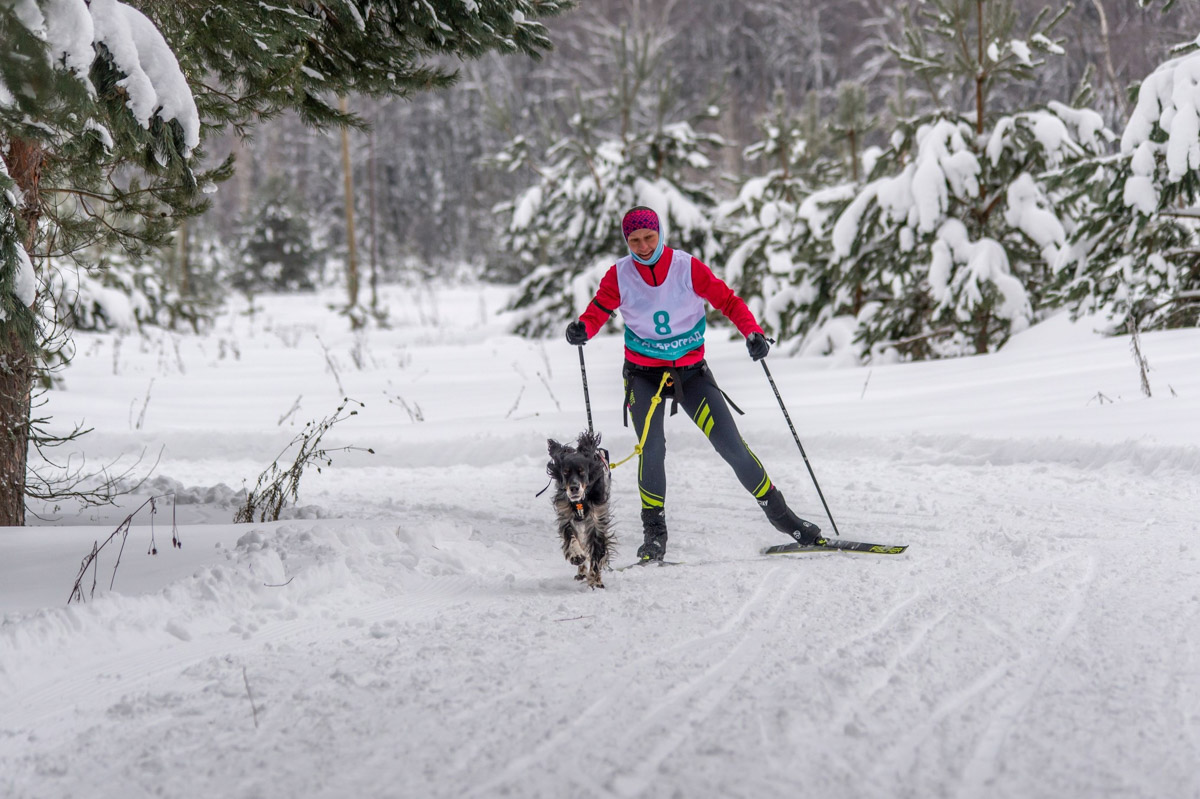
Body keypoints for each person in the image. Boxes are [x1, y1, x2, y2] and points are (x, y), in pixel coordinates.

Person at [565, 206, 821, 562]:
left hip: (691, 373)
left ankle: (786, 520)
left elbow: (727, 300)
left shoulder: (686, 267)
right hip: (644, 376)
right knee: (652, 449)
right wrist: (583, 328)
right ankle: (654, 535)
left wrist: (752, 332)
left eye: (649, 238)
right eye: (634, 240)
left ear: (660, 233)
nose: (642, 246)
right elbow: (598, 310)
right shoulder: (619, 275)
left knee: (733, 448)